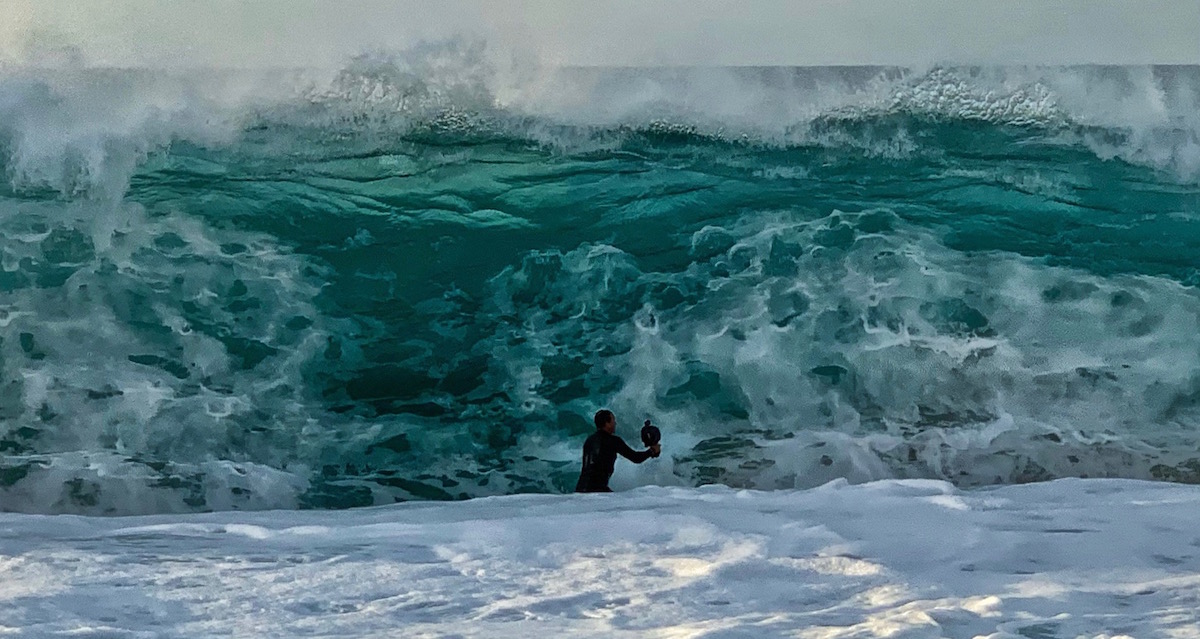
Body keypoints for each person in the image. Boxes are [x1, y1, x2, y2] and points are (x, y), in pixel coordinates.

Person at [575, 409, 661, 493]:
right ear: (607, 423)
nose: (615, 423)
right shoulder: (613, 441)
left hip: (580, 490)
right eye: (613, 420)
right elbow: (636, 458)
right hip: (597, 491)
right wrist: (652, 451)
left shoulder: (589, 440)